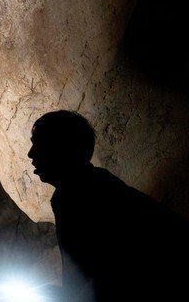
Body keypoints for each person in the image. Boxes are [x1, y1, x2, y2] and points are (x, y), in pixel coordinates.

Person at [28, 110, 189, 302]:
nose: (30, 154)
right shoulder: (83, 188)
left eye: (38, 144)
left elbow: (116, 270)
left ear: (61, 149)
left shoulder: (88, 193)